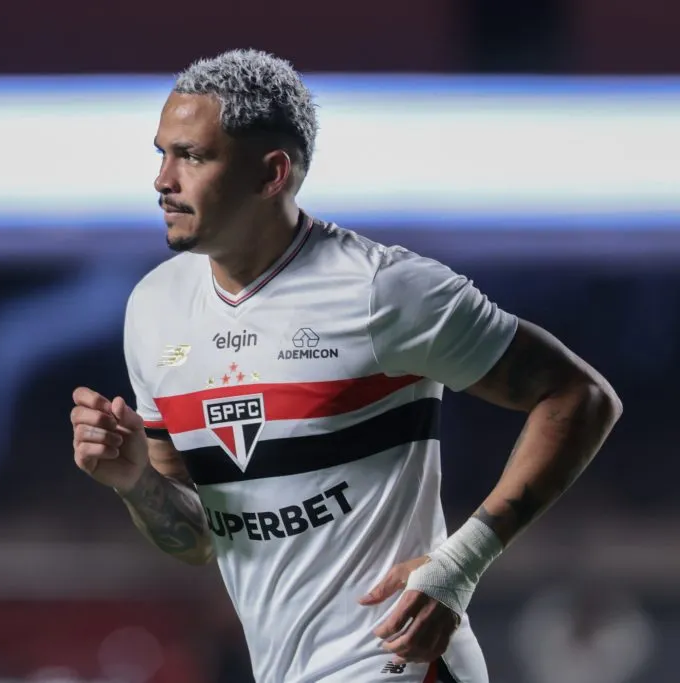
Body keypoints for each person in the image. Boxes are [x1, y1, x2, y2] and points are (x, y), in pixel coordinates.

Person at [69, 49, 622, 683]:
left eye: (192, 156)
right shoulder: (155, 310)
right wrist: (135, 482)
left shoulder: (384, 290)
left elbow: (580, 397)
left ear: (272, 173)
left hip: (398, 661)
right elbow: (199, 539)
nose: (163, 180)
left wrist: (459, 565)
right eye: (161, 153)